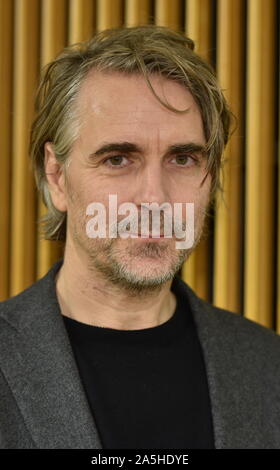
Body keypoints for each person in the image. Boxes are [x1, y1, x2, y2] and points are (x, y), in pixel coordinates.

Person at [0, 25, 279, 450]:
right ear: (57, 176)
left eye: (183, 158)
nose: (155, 197)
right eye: (118, 159)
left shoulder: (267, 366)